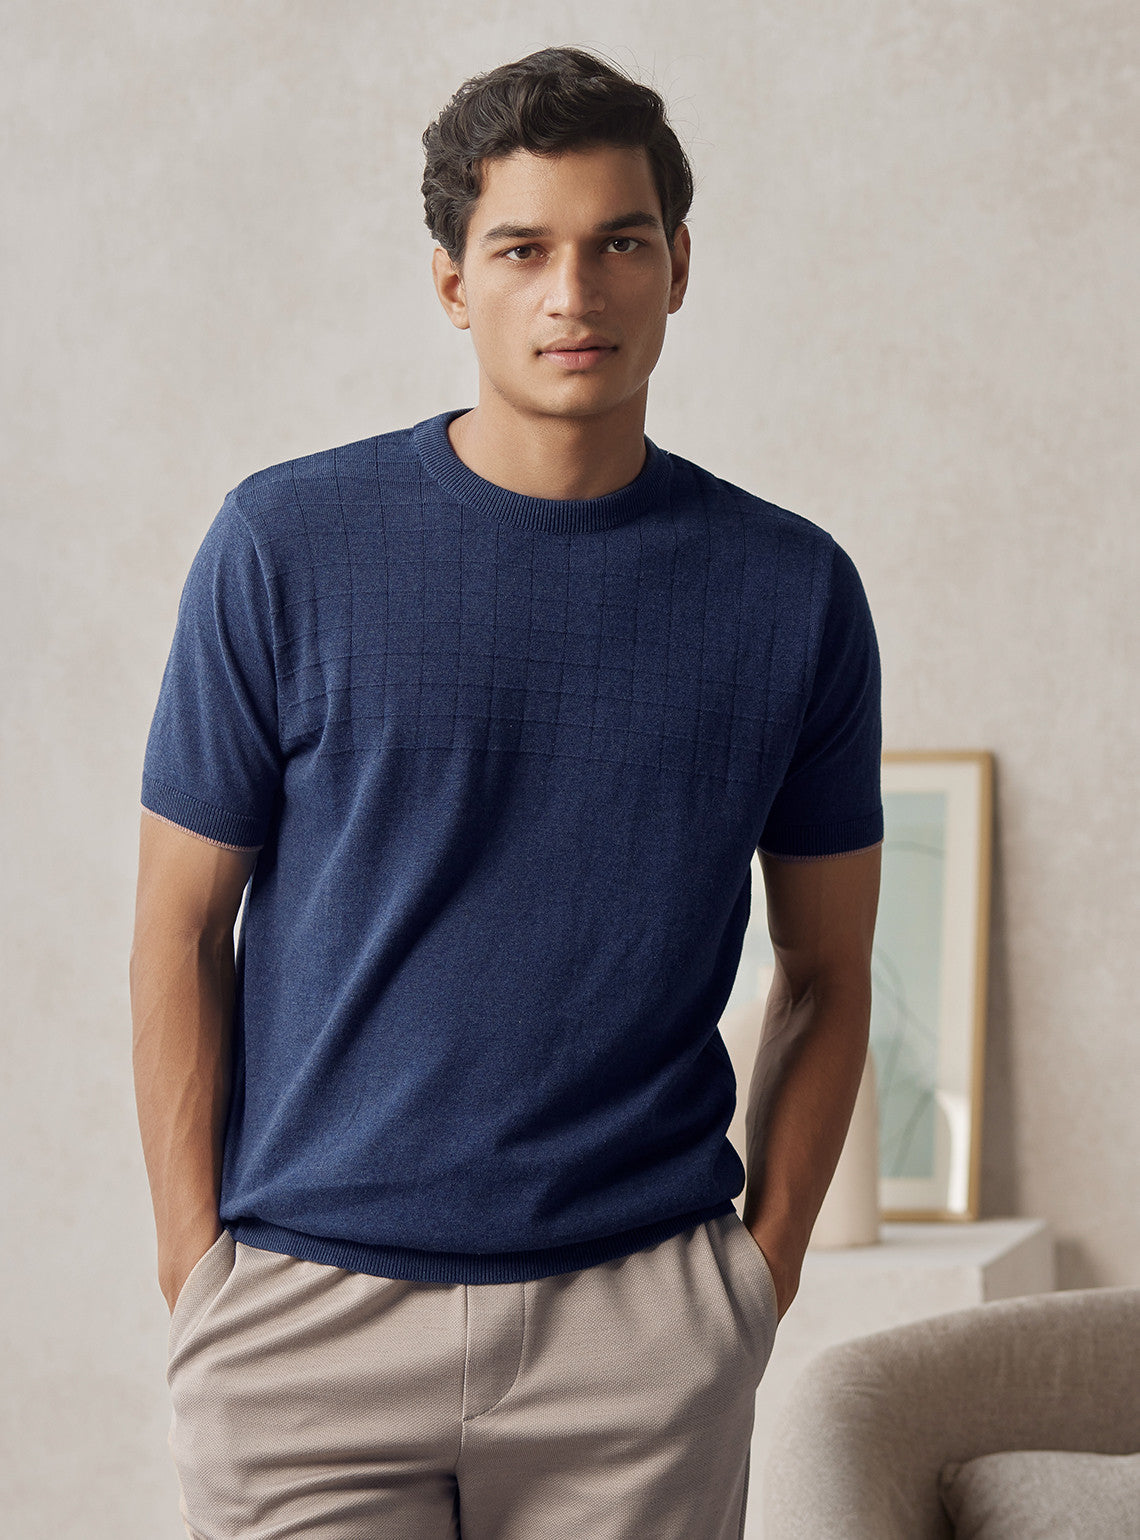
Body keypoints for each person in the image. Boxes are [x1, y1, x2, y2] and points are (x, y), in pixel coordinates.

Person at [130, 44, 882, 1540]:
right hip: (305, 1323)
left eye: (621, 243)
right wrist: (199, 1272)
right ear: (451, 284)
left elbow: (831, 968)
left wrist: (759, 1273)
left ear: (680, 267)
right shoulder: (284, 546)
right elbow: (177, 932)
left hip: (640, 1327)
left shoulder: (790, 591)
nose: (573, 293)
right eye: (523, 249)